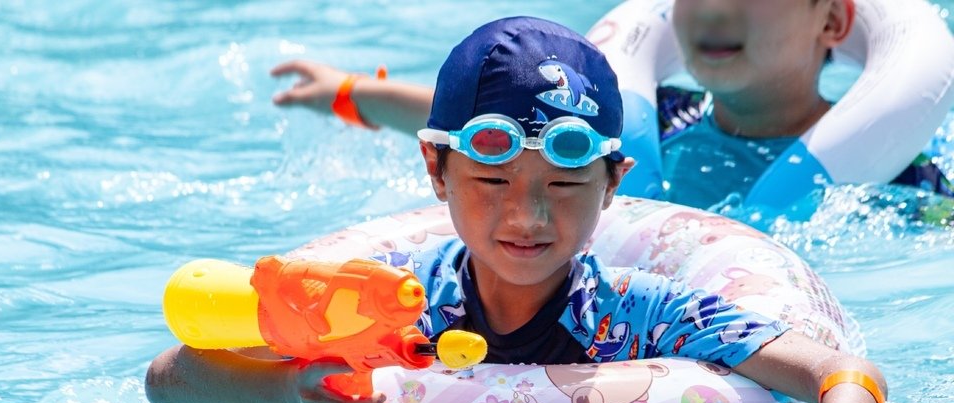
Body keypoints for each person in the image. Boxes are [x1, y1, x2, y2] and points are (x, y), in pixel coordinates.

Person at [148, 17, 888, 403]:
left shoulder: (635, 315)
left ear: (612, 184)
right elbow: (169, 378)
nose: (527, 215)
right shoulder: (387, 303)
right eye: (492, 181)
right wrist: (283, 392)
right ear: (436, 171)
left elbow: (831, 364)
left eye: (564, 186)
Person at [270, 0, 953, 212]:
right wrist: (352, 94)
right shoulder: (665, 121)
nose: (714, 9)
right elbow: (499, 132)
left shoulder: (907, 180)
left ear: (832, 21)